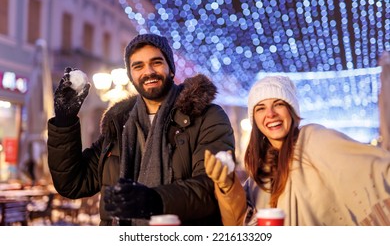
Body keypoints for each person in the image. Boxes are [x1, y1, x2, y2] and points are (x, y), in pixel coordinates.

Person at [47, 33, 235, 226]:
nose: (149, 72)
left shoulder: (206, 117)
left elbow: (213, 185)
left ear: (170, 69)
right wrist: (64, 122)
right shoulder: (119, 126)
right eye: (138, 66)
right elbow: (73, 184)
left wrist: (155, 200)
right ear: (131, 76)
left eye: (156, 62)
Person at [205, 75, 390, 226]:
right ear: (255, 120)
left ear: (291, 110)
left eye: (278, 104)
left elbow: (379, 168)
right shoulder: (259, 175)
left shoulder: (314, 139)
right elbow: (241, 226)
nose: (270, 114)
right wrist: (228, 186)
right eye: (261, 108)